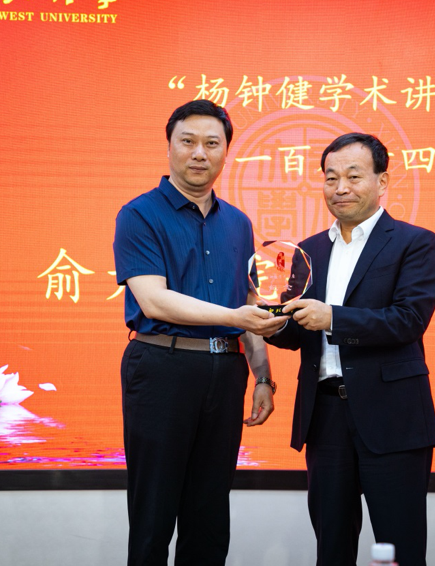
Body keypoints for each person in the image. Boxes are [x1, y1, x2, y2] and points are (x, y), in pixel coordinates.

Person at [113, 100, 288, 566]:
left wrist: (263, 377)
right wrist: (237, 317)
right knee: (154, 514)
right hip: (162, 367)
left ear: (226, 152)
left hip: (225, 371)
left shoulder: (238, 223)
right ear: (169, 146)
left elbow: (248, 301)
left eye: (212, 143)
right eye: (187, 141)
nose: (199, 153)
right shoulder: (139, 214)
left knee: (209, 515)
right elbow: (154, 300)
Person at [267, 133, 435, 566]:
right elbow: (296, 333)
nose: (340, 187)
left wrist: (333, 317)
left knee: (400, 549)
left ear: (382, 182)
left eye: (353, 176)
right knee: (331, 546)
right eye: (331, 178)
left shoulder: (415, 242)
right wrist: (267, 318)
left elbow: (408, 320)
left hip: (392, 415)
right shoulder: (308, 251)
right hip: (325, 416)